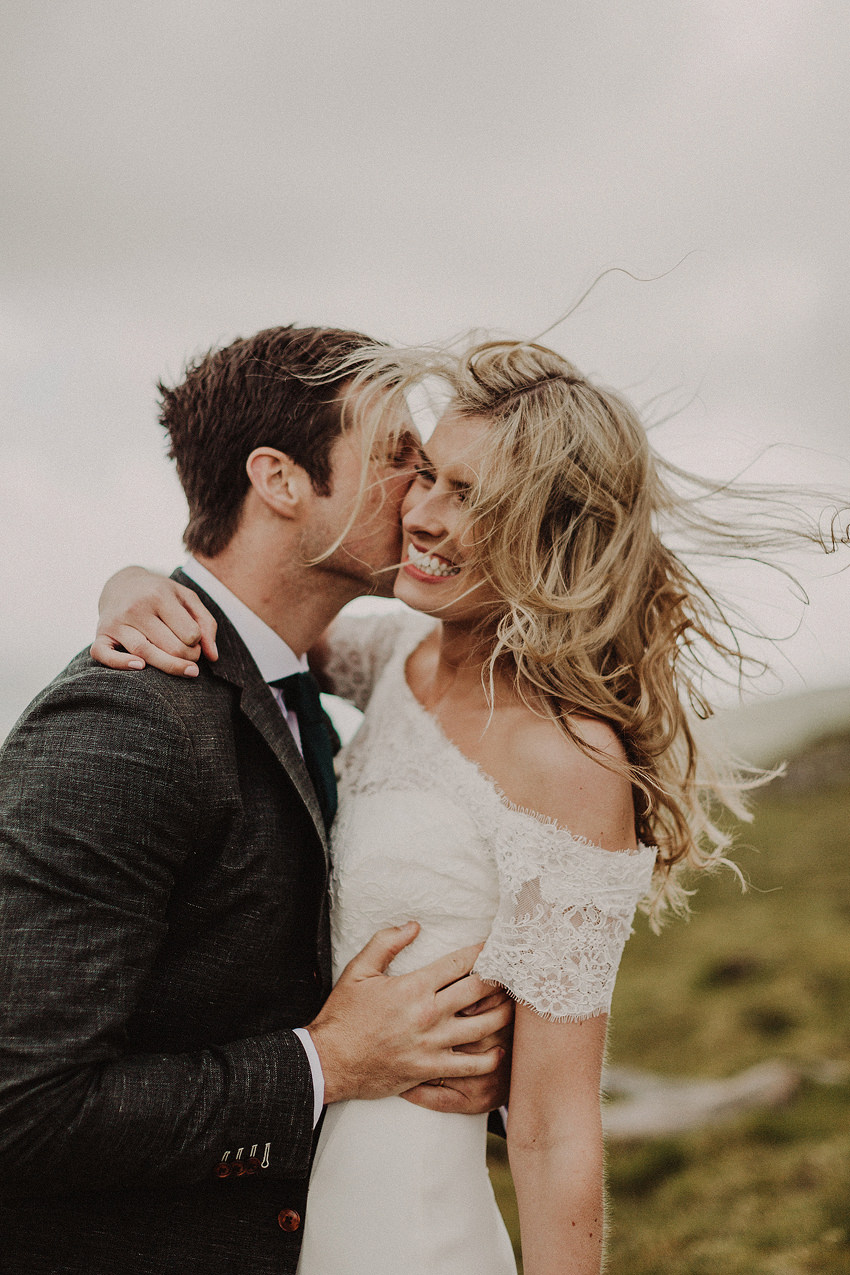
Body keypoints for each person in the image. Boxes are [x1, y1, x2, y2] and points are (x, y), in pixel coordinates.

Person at [91, 336, 843, 1273]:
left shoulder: (567, 760)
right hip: (286, 1198)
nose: (425, 516)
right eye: (428, 476)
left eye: (475, 498)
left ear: (553, 534)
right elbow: (252, 621)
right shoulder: (392, 660)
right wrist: (131, 588)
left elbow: (556, 1124)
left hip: (408, 1214)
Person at [0, 325, 516, 1275]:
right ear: (280, 479)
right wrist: (325, 1061)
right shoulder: (121, 726)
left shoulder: (286, 679)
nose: (426, 483)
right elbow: (23, 1105)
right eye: (398, 455)